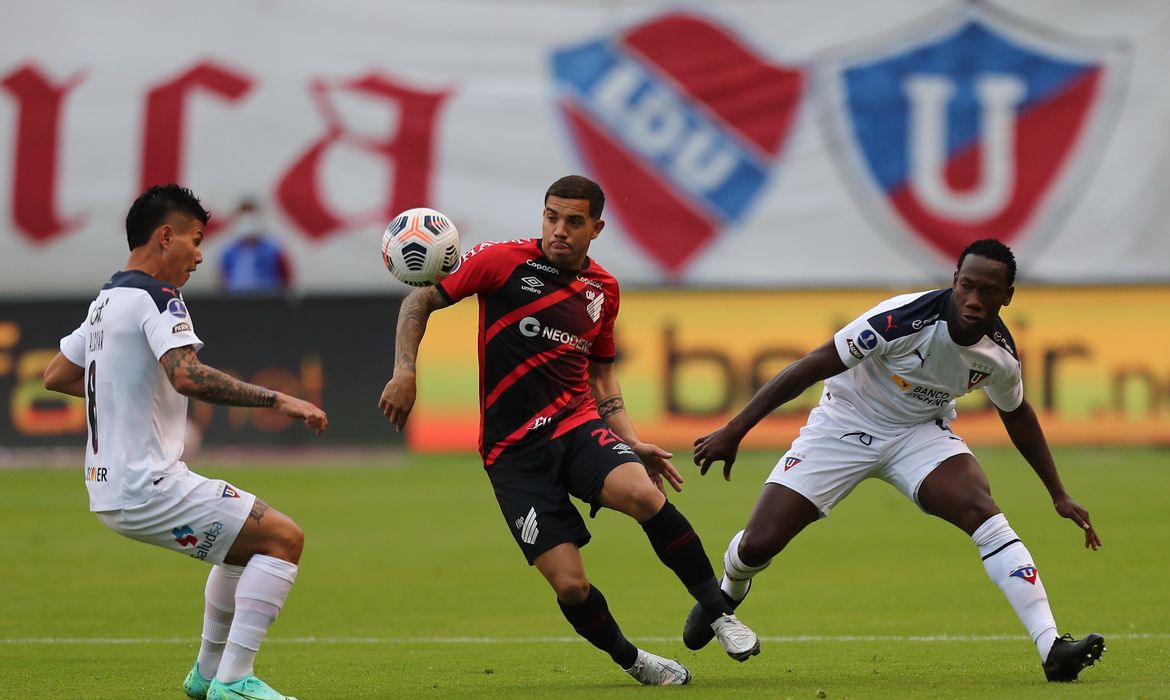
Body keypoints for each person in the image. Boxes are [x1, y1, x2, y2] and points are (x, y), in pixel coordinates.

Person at [379, 175, 759, 686]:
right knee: (571, 585)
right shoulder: (501, 261)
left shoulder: (603, 290)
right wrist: (406, 370)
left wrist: (629, 438)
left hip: (574, 426)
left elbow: (601, 374)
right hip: (512, 454)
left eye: (574, 221)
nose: (559, 230)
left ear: (596, 228)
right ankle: (634, 661)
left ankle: (718, 613)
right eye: (551, 217)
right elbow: (417, 301)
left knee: (642, 494)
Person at [682, 238, 1105, 682]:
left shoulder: (999, 356)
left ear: (1008, 296)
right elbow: (811, 366)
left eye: (988, 292)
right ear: (955, 282)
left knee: (983, 511)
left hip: (918, 433)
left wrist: (1058, 493)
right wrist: (736, 429)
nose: (974, 300)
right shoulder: (901, 319)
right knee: (758, 544)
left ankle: (1051, 647)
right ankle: (730, 589)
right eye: (966, 286)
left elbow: (1017, 415)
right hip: (844, 423)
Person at [42, 184, 328, 700]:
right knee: (285, 540)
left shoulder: (107, 300)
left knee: (243, 550)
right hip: (148, 483)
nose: (200, 256)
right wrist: (278, 400)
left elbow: (58, 374)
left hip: (111, 486)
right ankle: (235, 680)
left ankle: (205, 675)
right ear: (165, 236)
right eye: (196, 241)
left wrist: (121, 394)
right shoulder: (157, 297)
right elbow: (187, 375)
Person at [218, 199, 294, 294]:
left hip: (268, 303)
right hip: (238, 304)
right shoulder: (228, 253)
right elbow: (223, 283)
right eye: (243, 219)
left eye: (251, 218)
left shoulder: (274, 250)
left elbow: (286, 280)